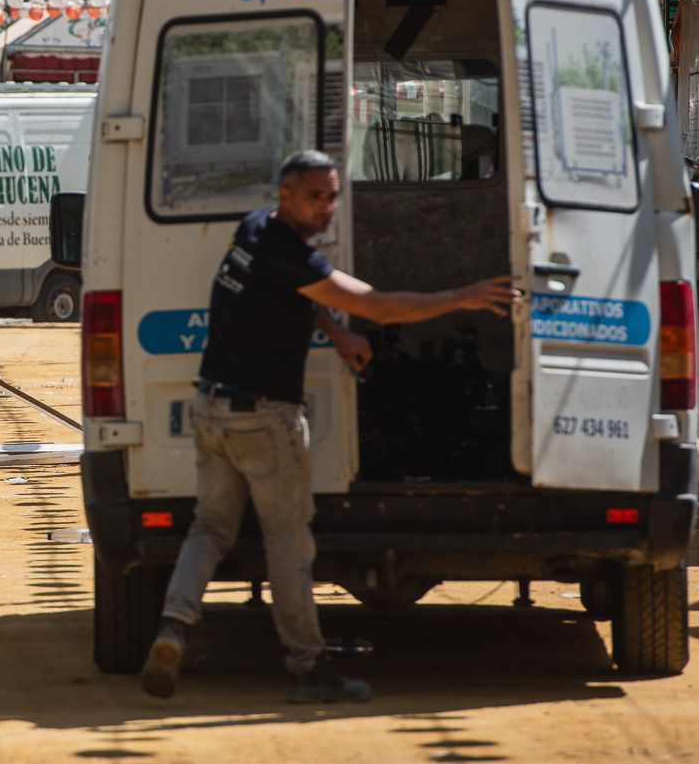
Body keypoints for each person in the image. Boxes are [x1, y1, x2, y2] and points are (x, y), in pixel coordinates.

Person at [141, 149, 518, 704]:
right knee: (289, 547)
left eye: (333, 195)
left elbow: (301, 297)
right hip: (265, 420)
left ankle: (174, 627)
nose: (327, 207)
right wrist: (464, 296)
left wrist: (339, 336)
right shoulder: (291, 256)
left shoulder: (253, 229)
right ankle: (307, 668)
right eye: (315, 196)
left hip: (212, 407)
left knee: (211, 528)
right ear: (285, 196)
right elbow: (380, 307)